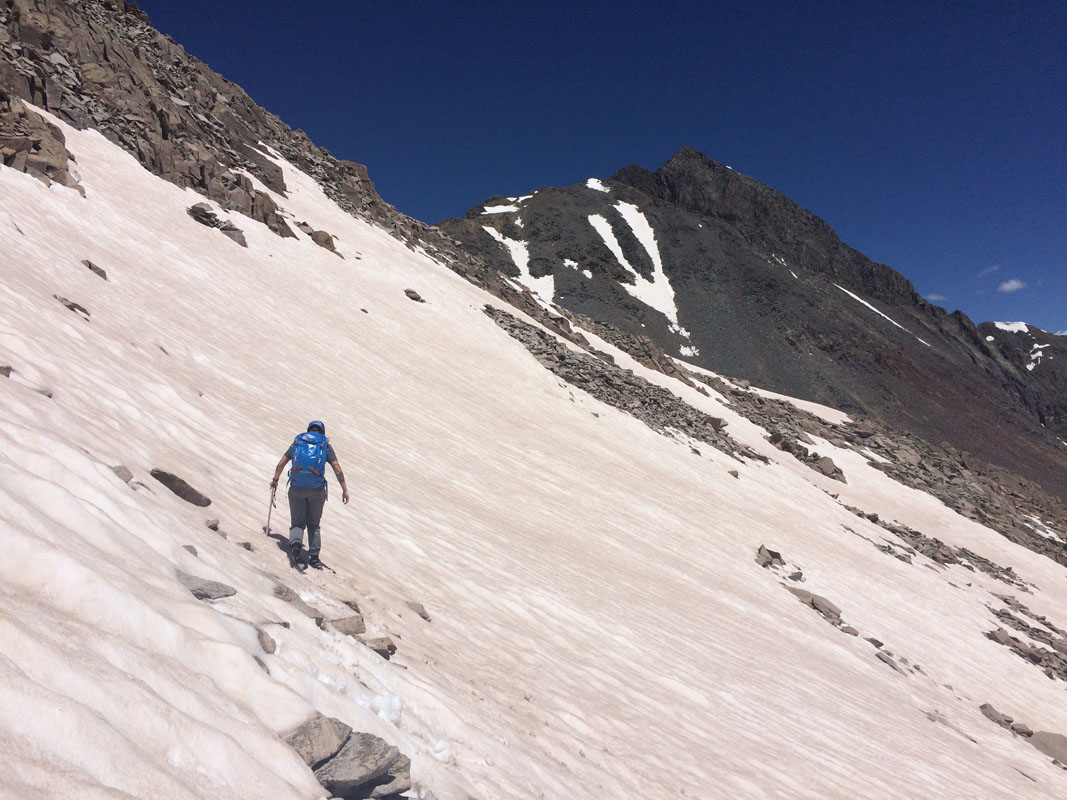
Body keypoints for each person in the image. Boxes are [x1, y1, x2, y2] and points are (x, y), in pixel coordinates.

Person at [270, 420, 349, 569]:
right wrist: (344, 489)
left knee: (298, 523)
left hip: (296, 488)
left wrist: (275, 480)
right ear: (322, 432)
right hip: (316, 491)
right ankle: (314, 558)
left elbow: (281, 464)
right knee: (314, 525)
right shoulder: (324, 445)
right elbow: (337, 468)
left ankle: (296, 548)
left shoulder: (298, 443)